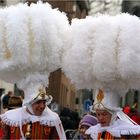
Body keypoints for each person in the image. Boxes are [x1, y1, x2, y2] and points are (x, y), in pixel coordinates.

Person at [0, 85, 66, 139]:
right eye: (38, 102)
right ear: (29, 103)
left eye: (44, 102)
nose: (42, 106)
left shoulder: (51, 120)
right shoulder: (10, 119)